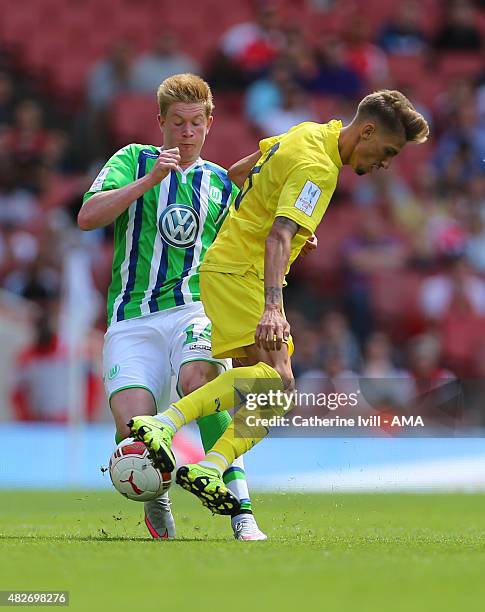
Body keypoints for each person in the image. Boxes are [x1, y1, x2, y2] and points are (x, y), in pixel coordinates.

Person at [129, 89, 429, 515]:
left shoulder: (308, 132)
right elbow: (277, 236)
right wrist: (273, 303)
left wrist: (291, 229)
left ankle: (209, 464)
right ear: (366, 131)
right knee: (279, 382)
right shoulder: (320, 168)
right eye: (388, 150)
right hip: (244, 275)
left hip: (230, 268)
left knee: (268, 387)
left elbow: (236, 173)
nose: (386, 162)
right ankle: (168, 426)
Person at [79, 73, 266, 541]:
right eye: (177, 122)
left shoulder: (221, 184)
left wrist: (297, 242)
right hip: (131, 318)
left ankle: (241, 513)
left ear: (209, 123)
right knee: (131, 427)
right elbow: (87, 217)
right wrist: (149, 181)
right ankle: (156, 495)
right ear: (160, 122)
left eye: (195, 123)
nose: (186, 132)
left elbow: (244, 249)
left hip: (194, 310)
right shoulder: (133, 159)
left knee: (200, 382)